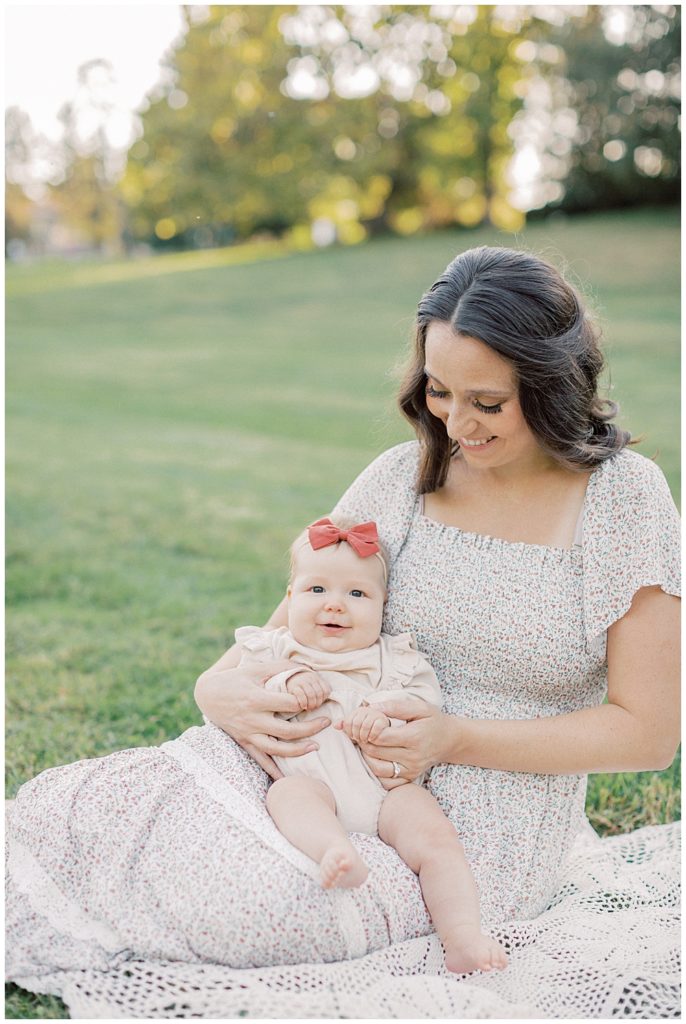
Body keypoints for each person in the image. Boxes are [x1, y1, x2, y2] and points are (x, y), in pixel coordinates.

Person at [6, 246, 679, 1019]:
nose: (457, 424)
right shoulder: (403, 476)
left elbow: (649, 734)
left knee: (251, 901)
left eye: (487, 403)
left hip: (467, 839)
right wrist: (217, 689)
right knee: (81, 813)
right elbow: (279, 630)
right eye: (438, 392)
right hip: (315, 767)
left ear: (552, 384)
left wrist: (451, 738)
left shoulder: (624, 499)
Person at [239, 514, 508, 973]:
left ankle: (462, 934)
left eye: (357, 594)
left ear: (384, 606)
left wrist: (385, 708)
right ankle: (334, 851)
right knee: (287, 796)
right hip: (312, 780)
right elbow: (240, 692)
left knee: (437, 839)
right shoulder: (275, 650)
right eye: (317, 590)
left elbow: (424, 703)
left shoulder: (395, 660)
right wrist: (287, 679)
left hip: (386, 792)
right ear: (290, 599)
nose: (335, 606)